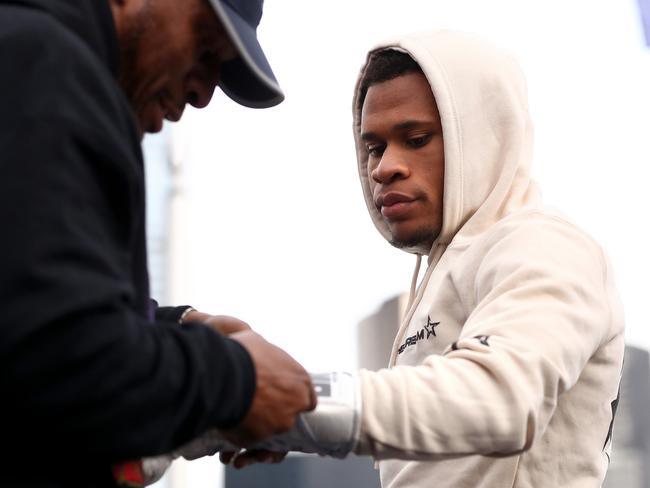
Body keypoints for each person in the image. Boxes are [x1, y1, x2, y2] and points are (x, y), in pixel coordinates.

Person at [227, 30, 625, 487]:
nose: (382, 167)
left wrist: (292, 401)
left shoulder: (542, 244)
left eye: (415, 138)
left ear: (483, 136)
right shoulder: (449, 265)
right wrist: (266, 417)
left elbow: (496, 401)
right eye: (374, 148)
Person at [0, 0, 315, 486]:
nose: (203, 94)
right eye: (207, 45)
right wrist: (238, 380)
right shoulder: (45, 62)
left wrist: (175, 325)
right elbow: (65, 364)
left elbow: (27, 291)